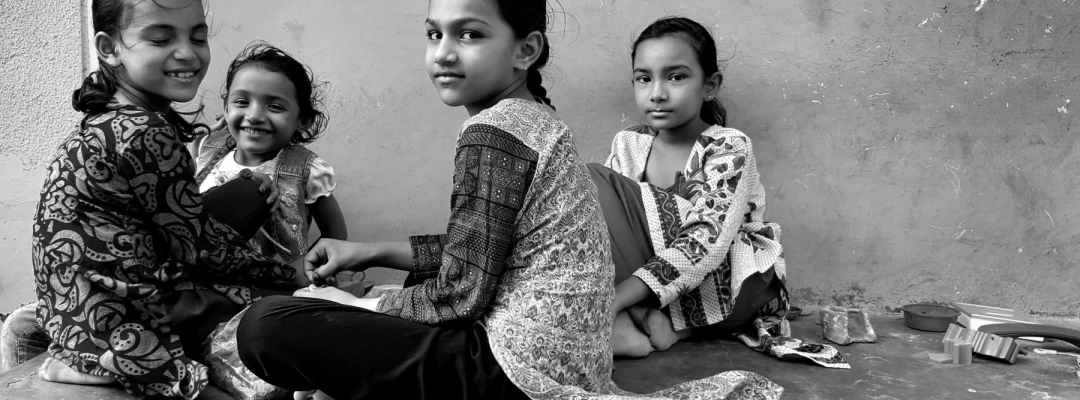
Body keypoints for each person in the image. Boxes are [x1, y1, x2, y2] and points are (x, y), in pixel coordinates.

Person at [234, 2, 782, 399]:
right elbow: (486, 250)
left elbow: (461, 295)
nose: (443, 54)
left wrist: (355, 306)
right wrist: (367, 254)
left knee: (267, 325)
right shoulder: (535, 121)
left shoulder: (494, 132)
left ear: (526, 50)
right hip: (566, 359)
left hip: (515, 373)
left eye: (469, 35)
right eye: (434, 34)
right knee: (394, 290)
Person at [28, 1, 300, 398]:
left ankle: (89, 357)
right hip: (122, 317)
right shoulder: (146, 131)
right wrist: (291, 275)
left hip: (68, 311)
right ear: (109, 48)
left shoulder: (108, 117)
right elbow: (200, 250)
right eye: (161, 38)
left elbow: (179, 222)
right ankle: (113, 364)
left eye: (197, 36)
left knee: (247, 191)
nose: (187, 52)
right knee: (280, 308)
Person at [593, 17, 844, 370]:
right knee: (590, 197)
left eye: (676, 77)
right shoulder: (629, 143)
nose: (657, 93)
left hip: (730, 284)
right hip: (660, 278)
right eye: (643, 78)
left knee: (594, 182)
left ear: (709, 85)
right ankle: (652, 323)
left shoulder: (728, 145)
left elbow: (707, 242)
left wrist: (612, 300)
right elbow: (614, 231)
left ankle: (659, 322)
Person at [194, 41, 347, 264]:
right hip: (204, 274)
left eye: (275, 106)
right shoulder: (204, 152)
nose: (254, 115)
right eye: (241, 102)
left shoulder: (307, 170)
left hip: (272, 284)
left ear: (303, 120)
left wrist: (304, 271)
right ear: (226, 109)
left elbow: (336, 235)